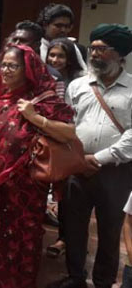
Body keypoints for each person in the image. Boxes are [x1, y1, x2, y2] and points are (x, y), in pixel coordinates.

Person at [0, 45, 75, 288]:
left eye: (13, 66)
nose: (5, 71)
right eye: (3, 65)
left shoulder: (43, 101)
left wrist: (35, 117)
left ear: (28, 70)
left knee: (14, 246)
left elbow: (69, 134)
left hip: (22, 196)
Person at [48, 24, 132, 288]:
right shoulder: (77, 86)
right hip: (77, 166)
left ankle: (103, 281)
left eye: (102, 49)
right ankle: (75, 277)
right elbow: (67, 124)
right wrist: (77, 158)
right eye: (92, 48)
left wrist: (102, 157)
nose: (94, 54)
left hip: (116, 171)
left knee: (109, 230)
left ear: (120, 56)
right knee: (73, 227)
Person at [44, 36, 86, 259]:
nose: (55, 59)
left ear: (70, 58)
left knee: (67, 196)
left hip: (69, 144)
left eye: (61, 55)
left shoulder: (81, 82)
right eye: (52, 55)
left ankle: (64, 239)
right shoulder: (44, 78)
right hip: (48, 142)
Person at [8, 20, 66, 99]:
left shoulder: (53, 77)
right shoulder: (5, 71)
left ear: (37, 45)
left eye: (23, 41)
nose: (16, 44)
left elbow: (58, 109)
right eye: (15, 40)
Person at [38, 3, 87, 72]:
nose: (63, 30)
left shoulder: (73, 47)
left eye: (67, 26)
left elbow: (83, 73)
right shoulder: (36, 48)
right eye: (58, 26)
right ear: (45, 25)